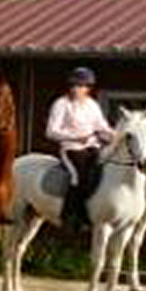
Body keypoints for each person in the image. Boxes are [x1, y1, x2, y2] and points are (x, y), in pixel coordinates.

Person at [46, 67, 113, 229]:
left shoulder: (92, 105)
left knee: (104, 170)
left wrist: (115, 135)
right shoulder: (61, 104)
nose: (75, 89)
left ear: (88, 88)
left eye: (80, 86)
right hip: (71, 149)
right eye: (73, 85)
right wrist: (74, 137)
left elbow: (101, 125)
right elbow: (51, 132)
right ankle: (70, 215)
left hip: (92, 146)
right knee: (79, 176)